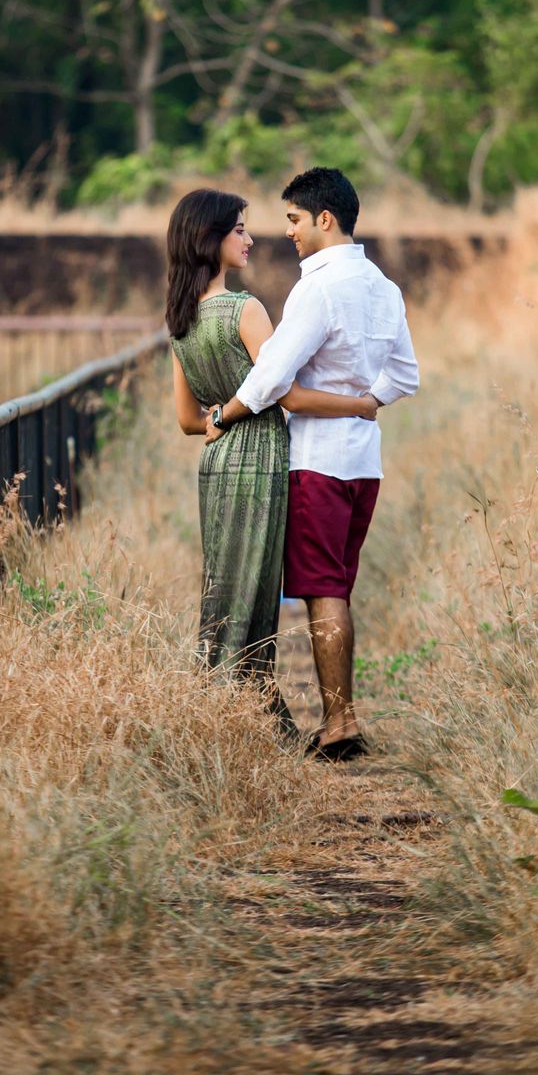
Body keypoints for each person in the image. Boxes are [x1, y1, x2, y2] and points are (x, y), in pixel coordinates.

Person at [204, 167, 419, 762]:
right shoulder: (384, 288)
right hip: (363, 465)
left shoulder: (317, 288)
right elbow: (405, 376)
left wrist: (225, 415)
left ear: (324, 218)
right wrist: (362, 405)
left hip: (317, 462)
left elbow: (272, 373)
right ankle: (339, 719)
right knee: (337, 588)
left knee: (324, 592)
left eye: (295, 220)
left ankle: (340, 723)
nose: (290, 233)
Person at [166, 188, 379, 745]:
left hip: (215, 463)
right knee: (257, 596)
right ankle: (252, 719)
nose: (250, 237)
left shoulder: (182, 322)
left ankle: (221, 708)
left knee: (223, 590)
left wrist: (219, 420)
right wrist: (360, 404)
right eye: (238, 229)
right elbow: (286, 396)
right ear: (209, 239)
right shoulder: (245, 310)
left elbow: (190, 421)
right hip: (259, 458)